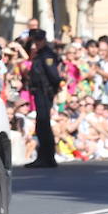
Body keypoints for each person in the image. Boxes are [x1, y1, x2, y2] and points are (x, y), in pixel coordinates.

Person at [24, 33, 61, 168]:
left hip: (44, 93)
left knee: (43, 125)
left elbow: (54, 76)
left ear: (44, 40)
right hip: (40, 93)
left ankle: (47, 158)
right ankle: (45, 157)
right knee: (42, 125)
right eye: (36, 40)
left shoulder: (47, 55)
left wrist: (52, 91)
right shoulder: (40, 54)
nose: (37, 43)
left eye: (39, 40)